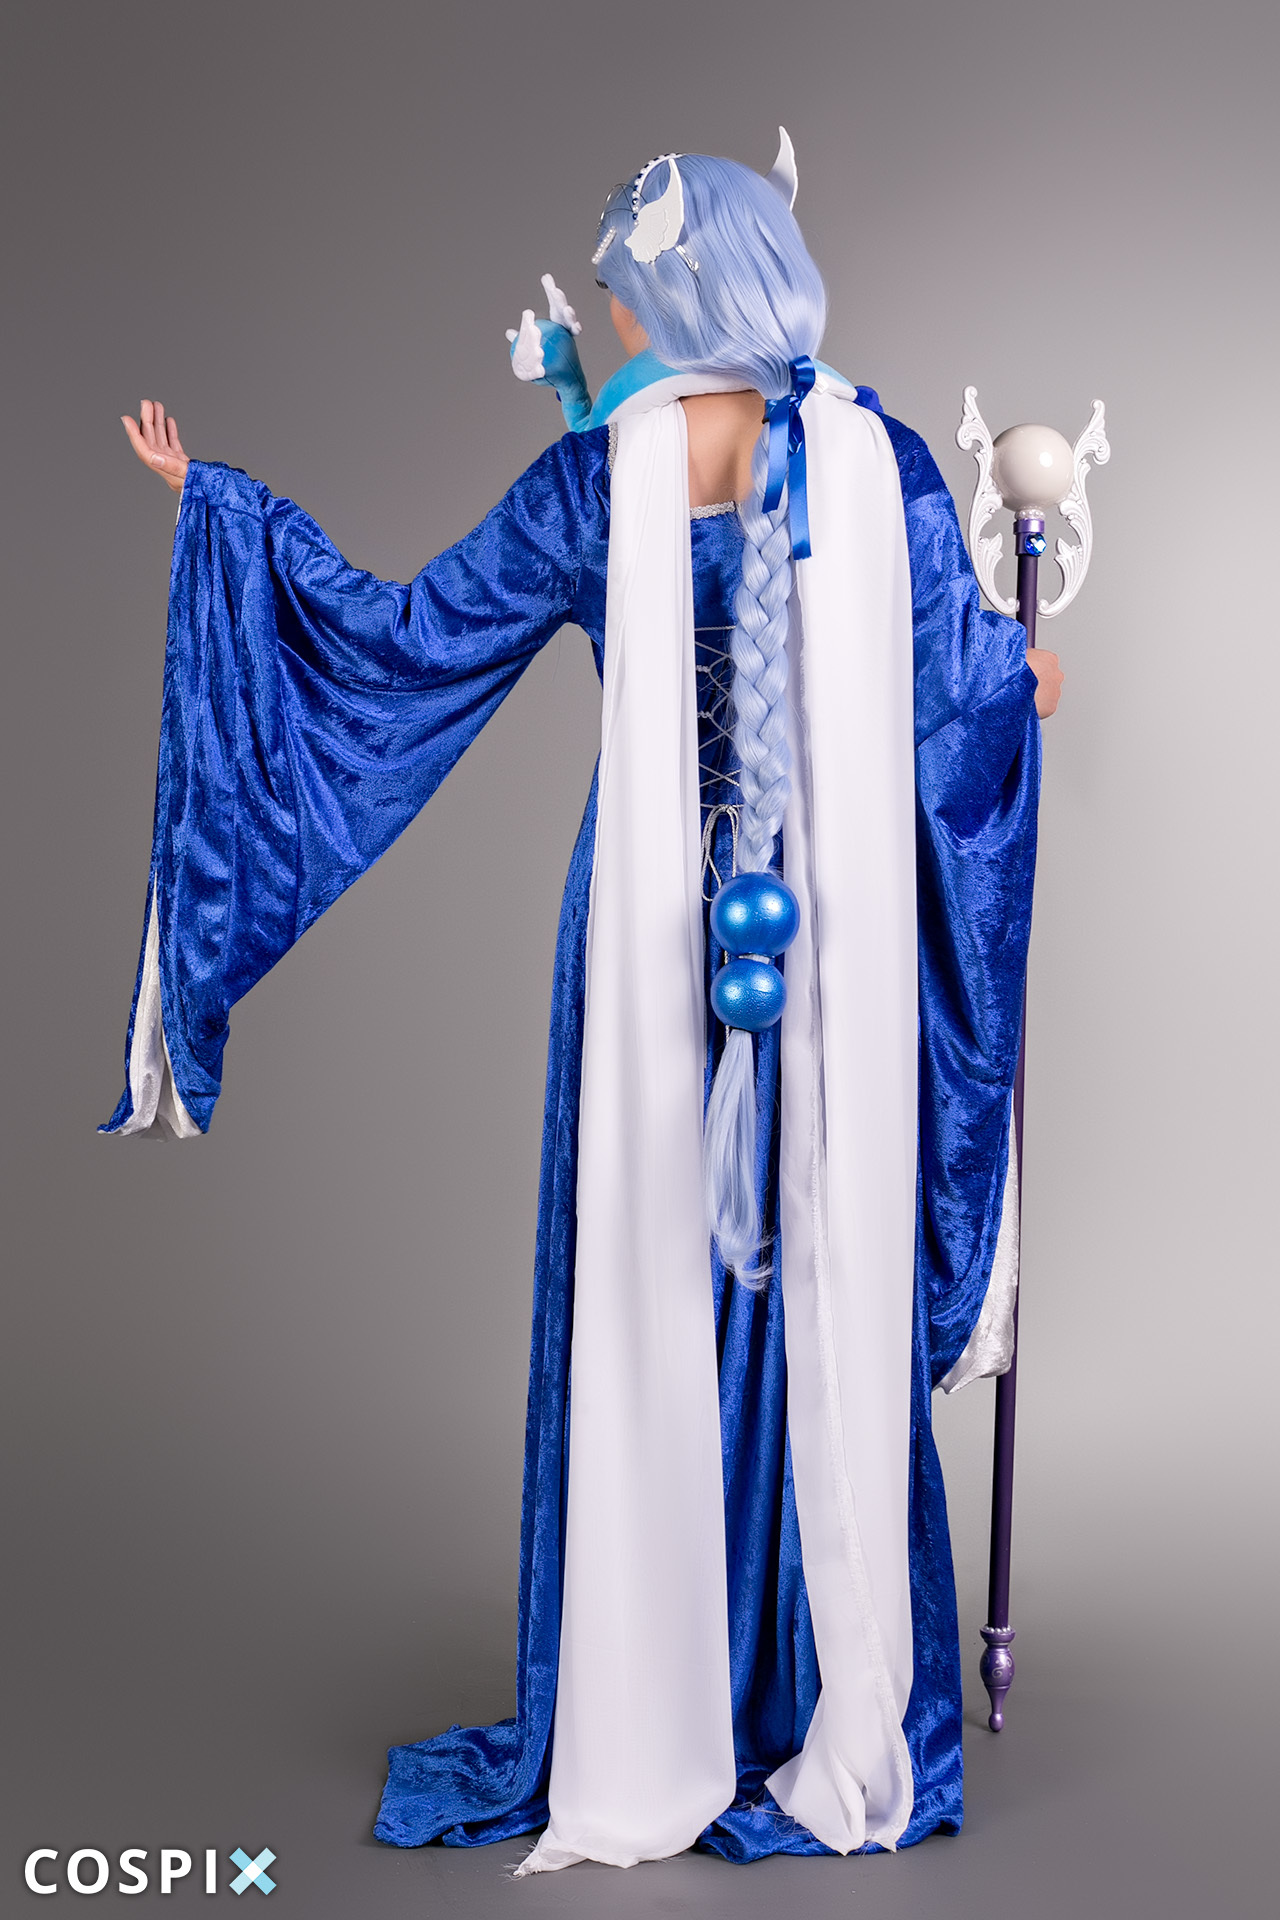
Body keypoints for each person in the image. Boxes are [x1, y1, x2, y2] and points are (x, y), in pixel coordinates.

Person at [113, 138, 1062, 1874]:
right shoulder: (878, 461)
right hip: (827, 947)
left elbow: (400, 643)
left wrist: (225, 519)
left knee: (655, 1271)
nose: (613, 317)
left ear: (676, 298)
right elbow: (962, 688)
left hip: (646, 944)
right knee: (811, 1267)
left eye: (625, 292)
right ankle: (812, 1688)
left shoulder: (592, 485)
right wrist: (1036, 672)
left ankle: (654, 1681)